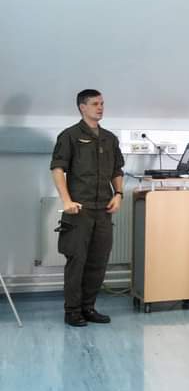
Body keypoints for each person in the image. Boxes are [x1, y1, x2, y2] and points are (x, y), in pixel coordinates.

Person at [50, 89, 124, 327]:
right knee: (77, 260)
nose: (100, 107)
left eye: (102, 103)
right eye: (95, 104)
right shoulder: (70, 136)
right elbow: (58, 169)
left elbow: (117, 171)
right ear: (82, 107)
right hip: (79, 210)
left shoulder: (110, 138)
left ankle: (88, 308)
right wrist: (66, 201)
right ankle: (72, 311)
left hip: (103, 209)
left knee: (98, 261)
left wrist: (119, 194)